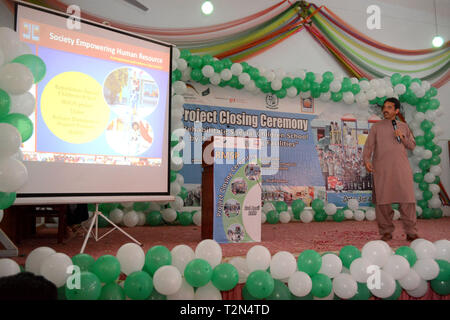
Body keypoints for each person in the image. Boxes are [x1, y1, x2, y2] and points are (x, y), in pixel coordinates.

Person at [363, 97, 418, 241]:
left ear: (396, 111)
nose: (385, 110)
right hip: (382, 169)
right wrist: (366, 160)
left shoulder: (403, 127)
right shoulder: (376, 127)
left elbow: (412, 145)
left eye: (389, 107)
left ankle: (411, 231)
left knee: (407, 200)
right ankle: (386, 231)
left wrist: (403, 136)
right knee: (383, 202)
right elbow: (368, 146)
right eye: (384, 107)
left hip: (401, 169)